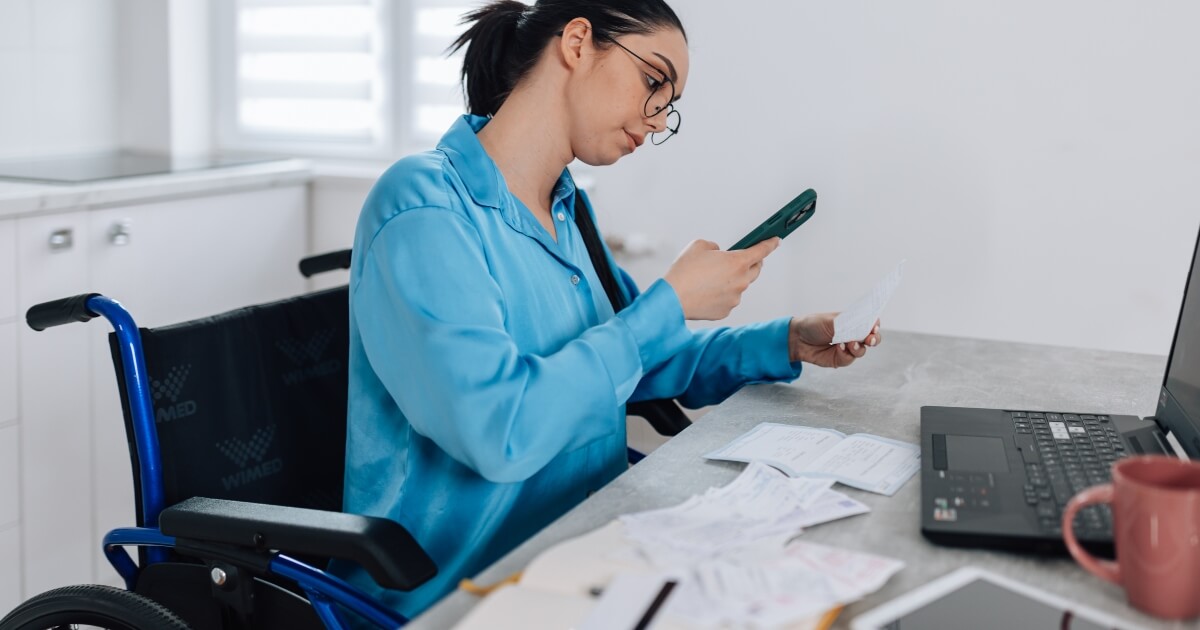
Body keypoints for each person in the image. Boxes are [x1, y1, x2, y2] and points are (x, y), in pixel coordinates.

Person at [334, 0, 882, 618]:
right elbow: (499, 431)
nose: (655, 120)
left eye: (668, 103)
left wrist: (785, 339)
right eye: (653, 82)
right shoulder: (423, 207)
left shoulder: (568, 210)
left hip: (587, 548)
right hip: (464, 589)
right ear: (576, 43)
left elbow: (639, 359)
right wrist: (669, 302)